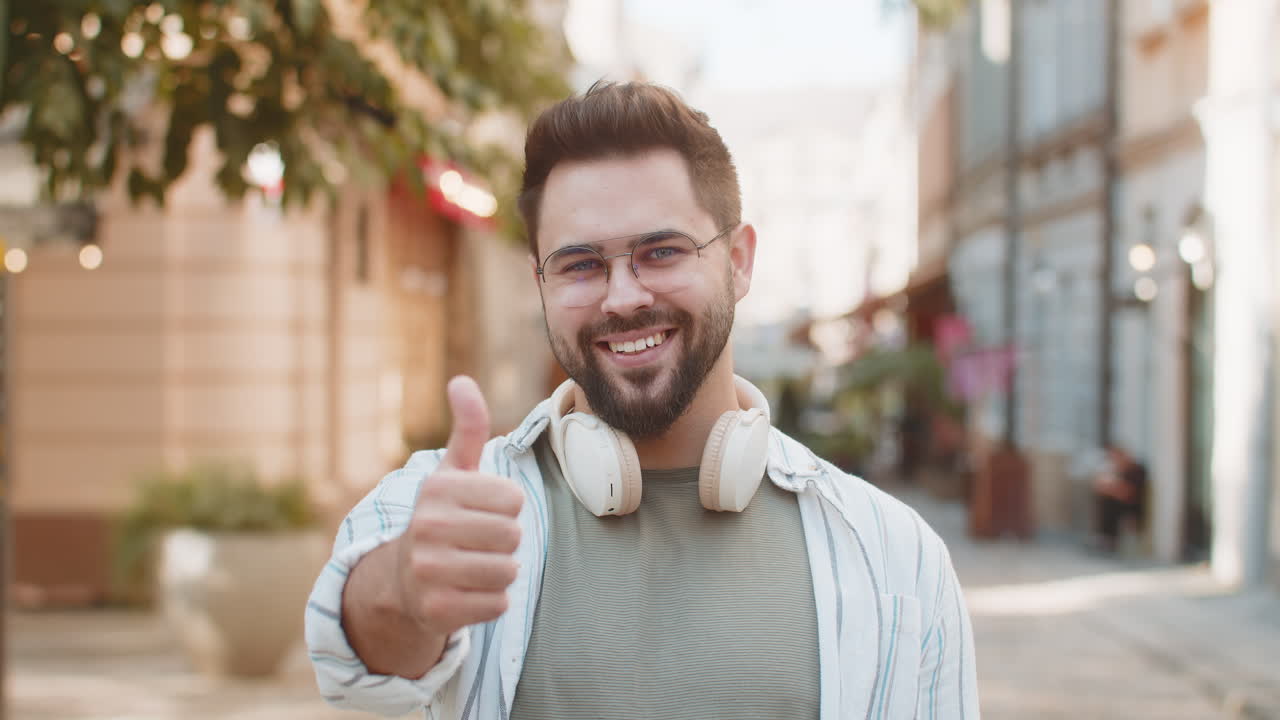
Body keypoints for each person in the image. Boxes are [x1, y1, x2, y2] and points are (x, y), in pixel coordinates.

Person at [305, 81, 979, 720]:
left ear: (739, 261)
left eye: (661, 252)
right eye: (580, 264)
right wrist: (404, 589)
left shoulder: (895, 556)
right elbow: (347, 657)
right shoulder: (448, 505)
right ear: (540, 283)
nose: (624, 297)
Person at [1091, 445, 1148, 553]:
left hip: (1133, 507)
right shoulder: (1121, 471)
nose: (1114, 461)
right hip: (1121, 504)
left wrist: (1109, 488)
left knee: (1108, 503)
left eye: (1115, 458)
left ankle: (1107, 539)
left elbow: (1127, 494)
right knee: (1104, 501)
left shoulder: (1136, 470)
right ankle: (1104, 538)